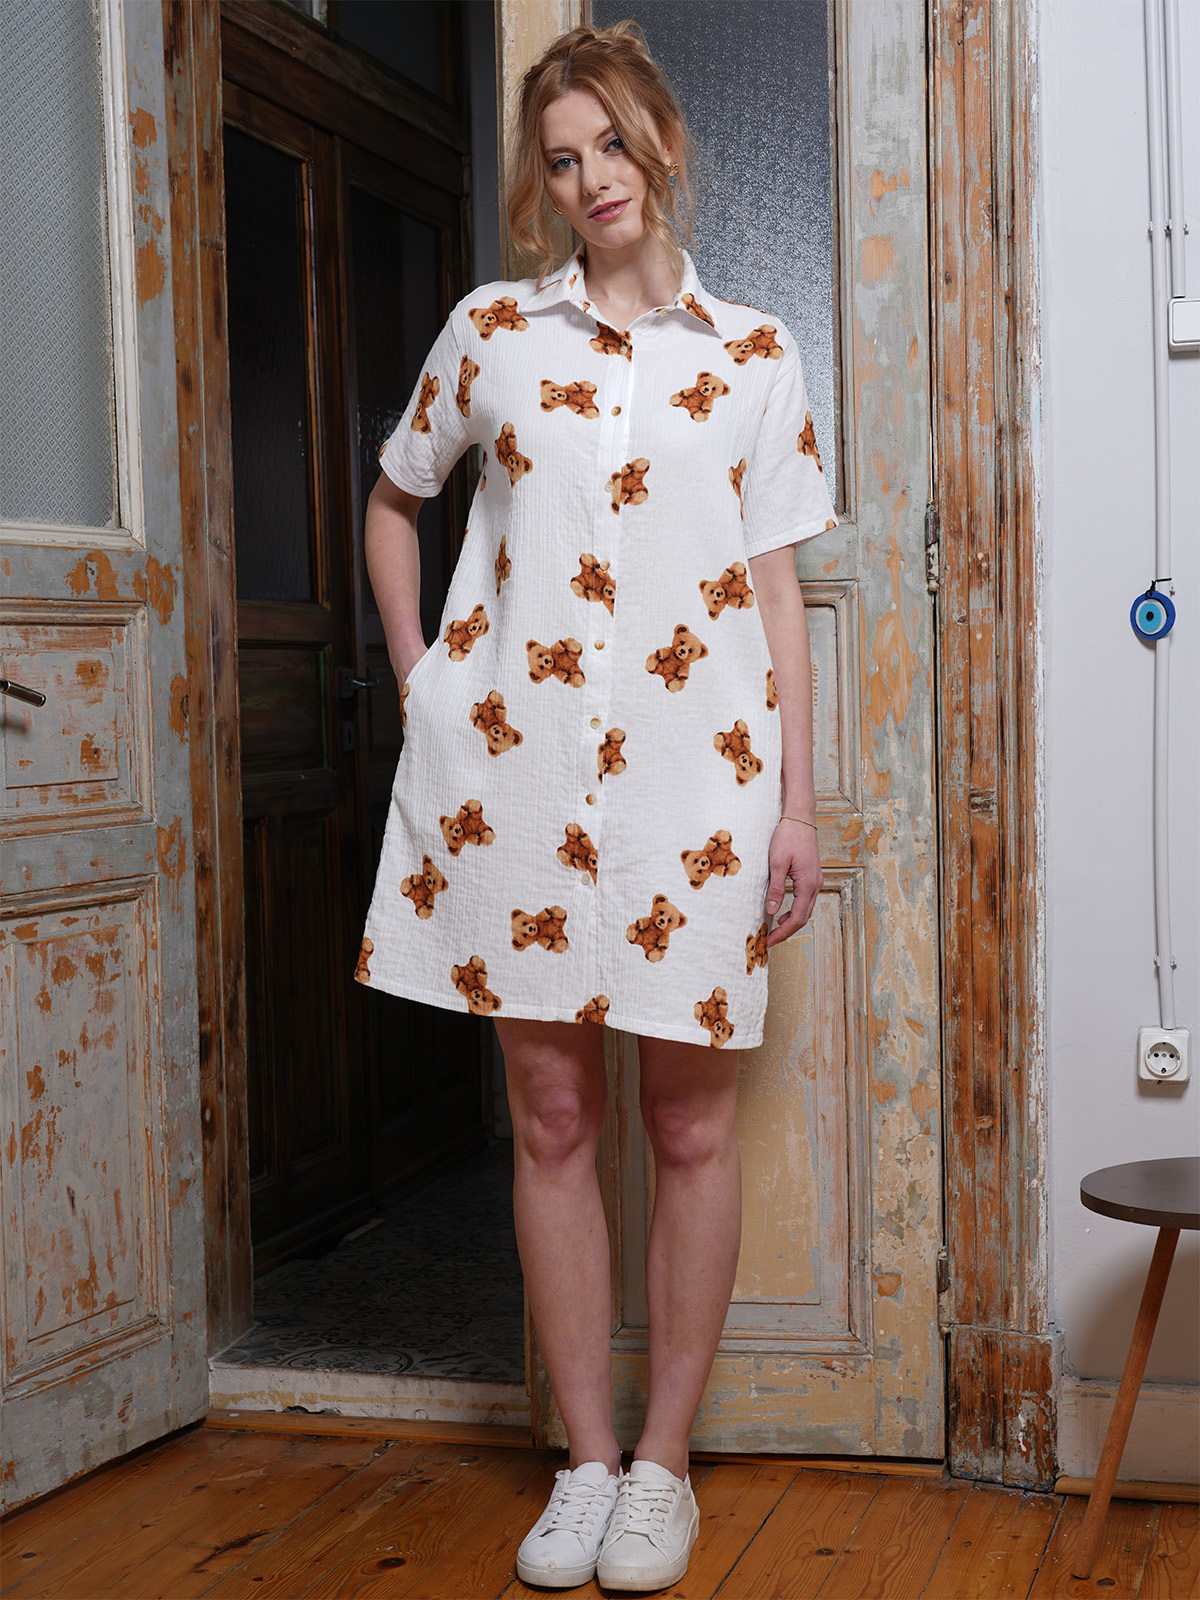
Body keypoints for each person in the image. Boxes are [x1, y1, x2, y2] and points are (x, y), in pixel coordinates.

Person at [357, 21, 836, 1591]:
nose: (591, 180)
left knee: (688, 1124)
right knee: (553, 1117)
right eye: (562, 160)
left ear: (662, 143)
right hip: (517, 781)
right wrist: (424, 677)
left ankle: (664, 1469)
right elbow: (396, 499)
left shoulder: (755, 355)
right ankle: (583, 1461)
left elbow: (776, 594)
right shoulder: (491, 332)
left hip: (700, 789)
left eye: (612, 145)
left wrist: (797, 805)